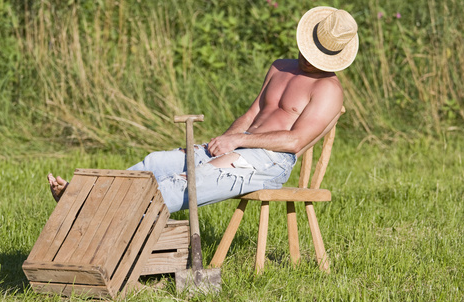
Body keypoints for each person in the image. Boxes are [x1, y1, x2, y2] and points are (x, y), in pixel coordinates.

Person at [48, 7, 358, 213]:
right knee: (156, 162)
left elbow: (295, 142)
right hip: (240, 143)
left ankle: (95, 214)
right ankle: (81, 196)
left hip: (268, 162)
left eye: (318, 55)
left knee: (179, 184)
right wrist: (225, 139)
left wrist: (238, 143)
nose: (307, 57)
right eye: (309, 48)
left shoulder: (328, 90)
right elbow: (251, 114)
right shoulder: (280, 67)